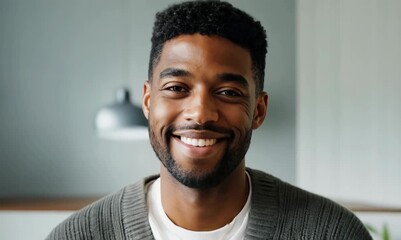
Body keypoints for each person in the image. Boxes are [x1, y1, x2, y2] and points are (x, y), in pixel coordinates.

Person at [47, 1, 372, 239]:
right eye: (176, 88)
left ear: (258, 110)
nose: (200, 113)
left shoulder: (333, 233)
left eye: (228, 92)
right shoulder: (77, 236)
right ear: (148, 102)